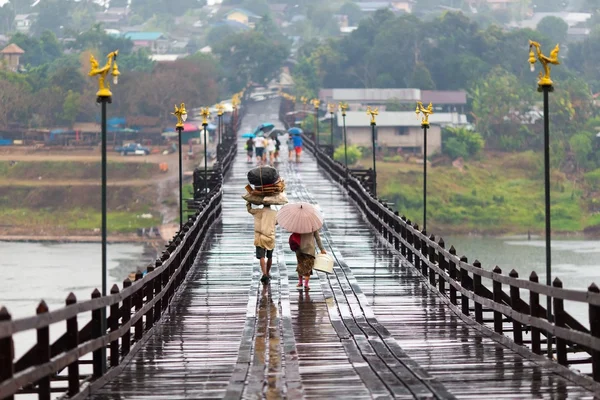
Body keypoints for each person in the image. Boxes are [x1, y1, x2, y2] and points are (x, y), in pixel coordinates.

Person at [247, 202, 278, 283]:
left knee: (262, 257)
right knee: (270, 256)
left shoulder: (258, 211)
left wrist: (248, 202)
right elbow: (277, 222)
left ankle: (264, 274)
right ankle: (267, 273)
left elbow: (249, 210)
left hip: (260, 237)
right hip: (270, 237)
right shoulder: (275, 213)